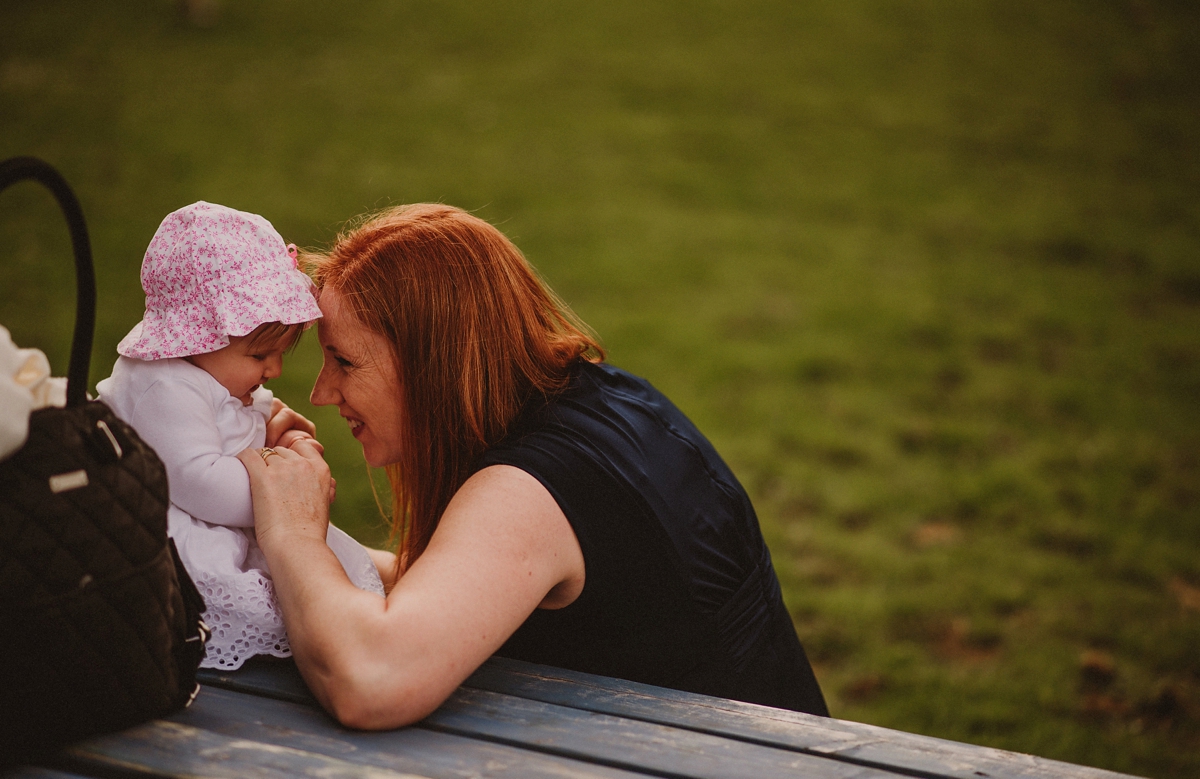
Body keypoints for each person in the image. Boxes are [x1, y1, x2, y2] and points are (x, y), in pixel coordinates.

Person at [238, 204, 828, 728]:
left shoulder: (530, 490)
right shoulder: (605, 398)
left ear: (432, 363)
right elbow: (459, 586)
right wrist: (278, 535)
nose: (320, 391)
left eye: (343, 360)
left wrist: (291, 533)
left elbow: (370, 681)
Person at [98, 201, 383, 671]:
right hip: (177, 527)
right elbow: (200, 481)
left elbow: (240, 414)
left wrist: (276, 425)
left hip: (209, 511)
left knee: (317, 572)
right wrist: (288, 493)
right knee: (246, 585)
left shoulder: (205, 372)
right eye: (261, 355)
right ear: (200, 336)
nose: (273, 370)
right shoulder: (162, 388)